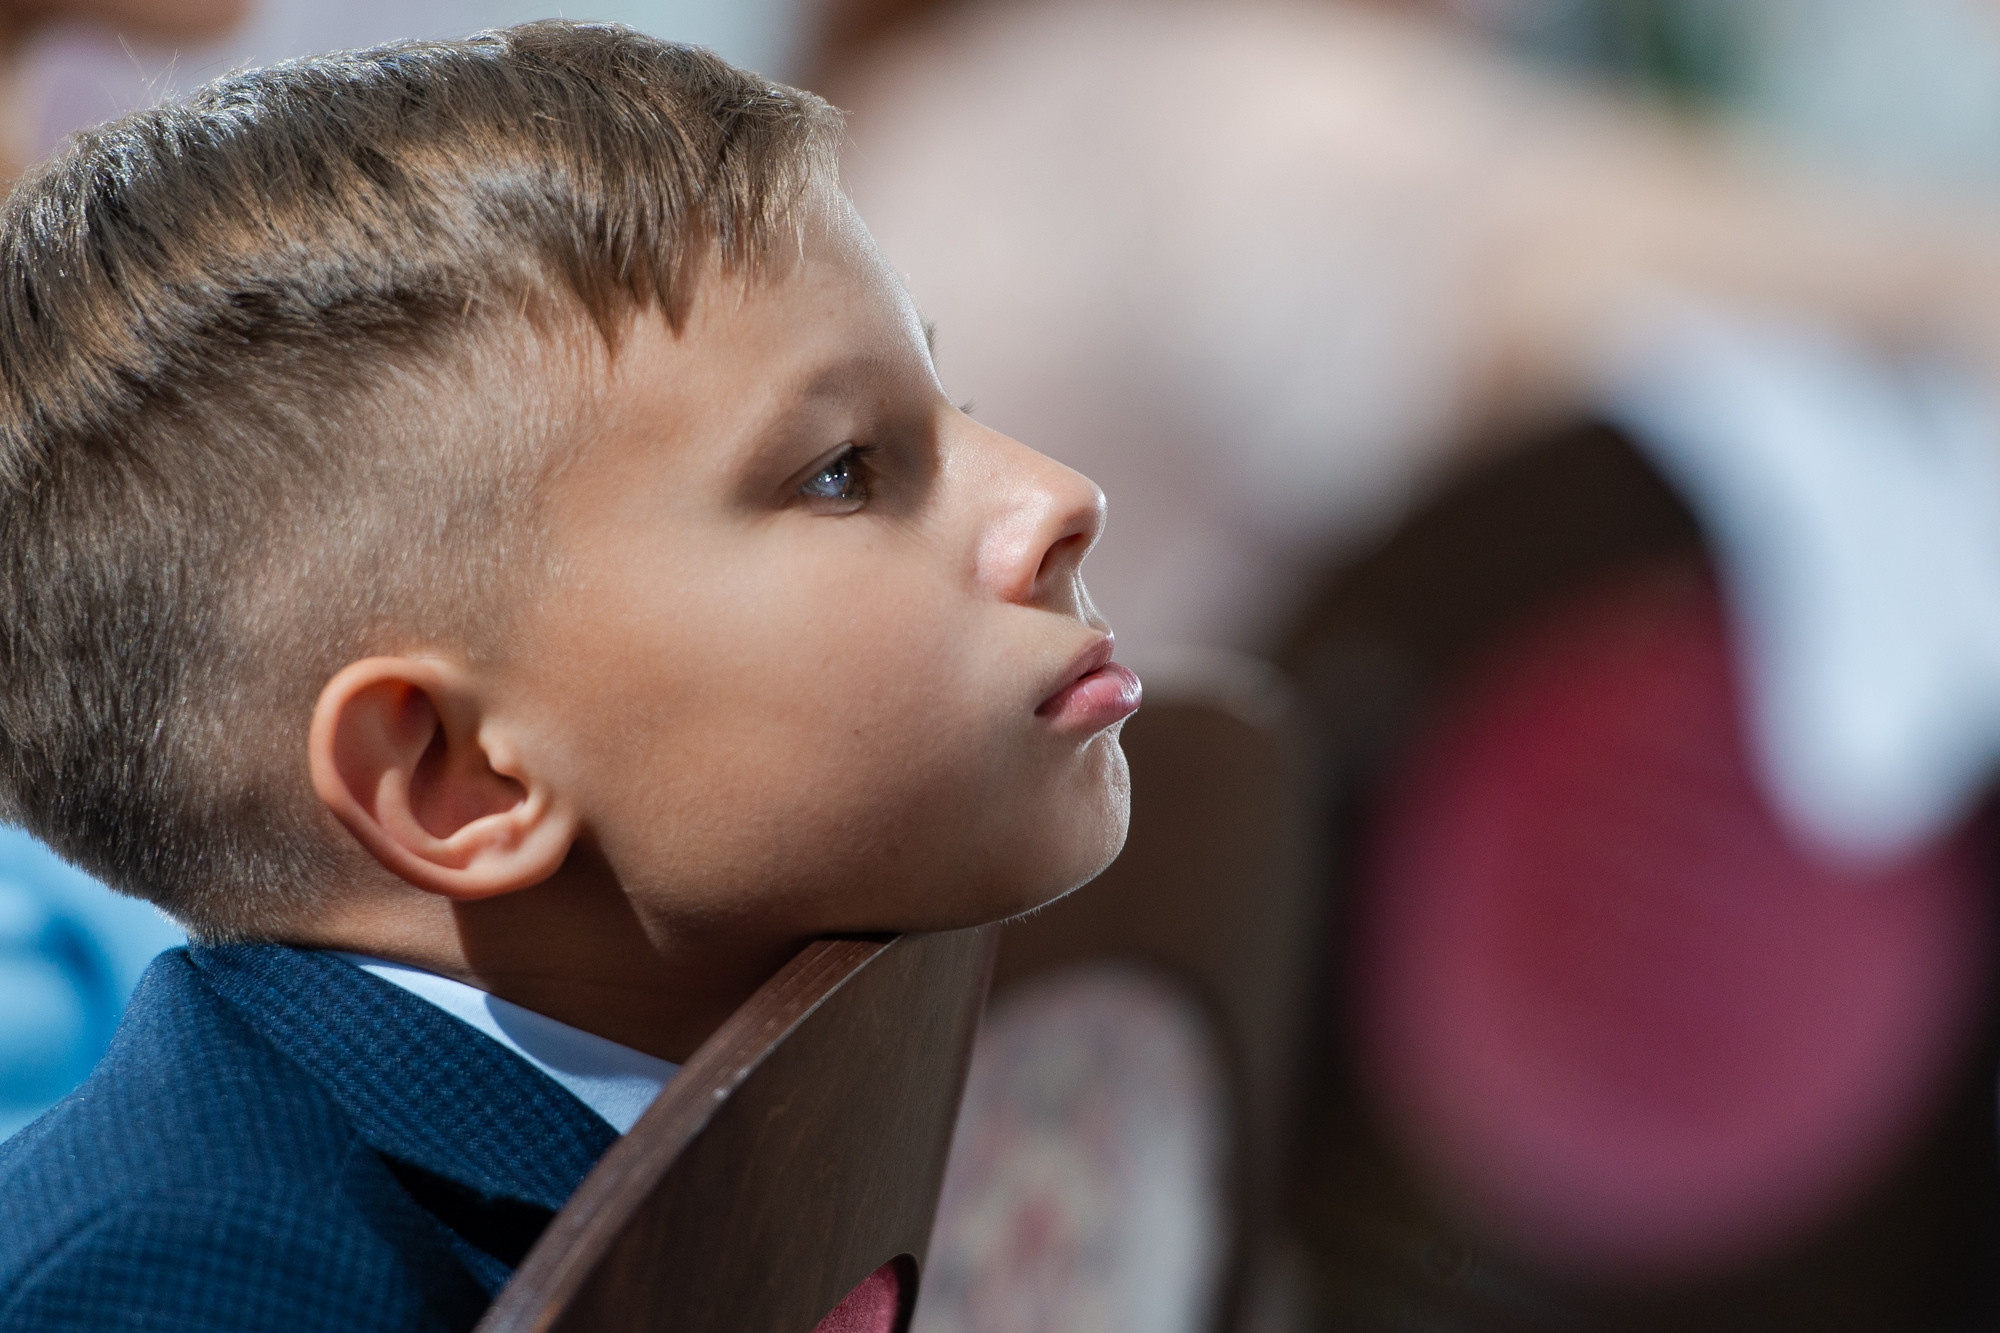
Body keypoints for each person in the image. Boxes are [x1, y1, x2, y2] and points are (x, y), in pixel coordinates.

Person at [0, 21, 1138, 1331]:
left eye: (956, 404)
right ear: (460, 774)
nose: (1059, 497)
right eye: (842, 470)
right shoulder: (199, 1271)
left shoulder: (841, 1050)